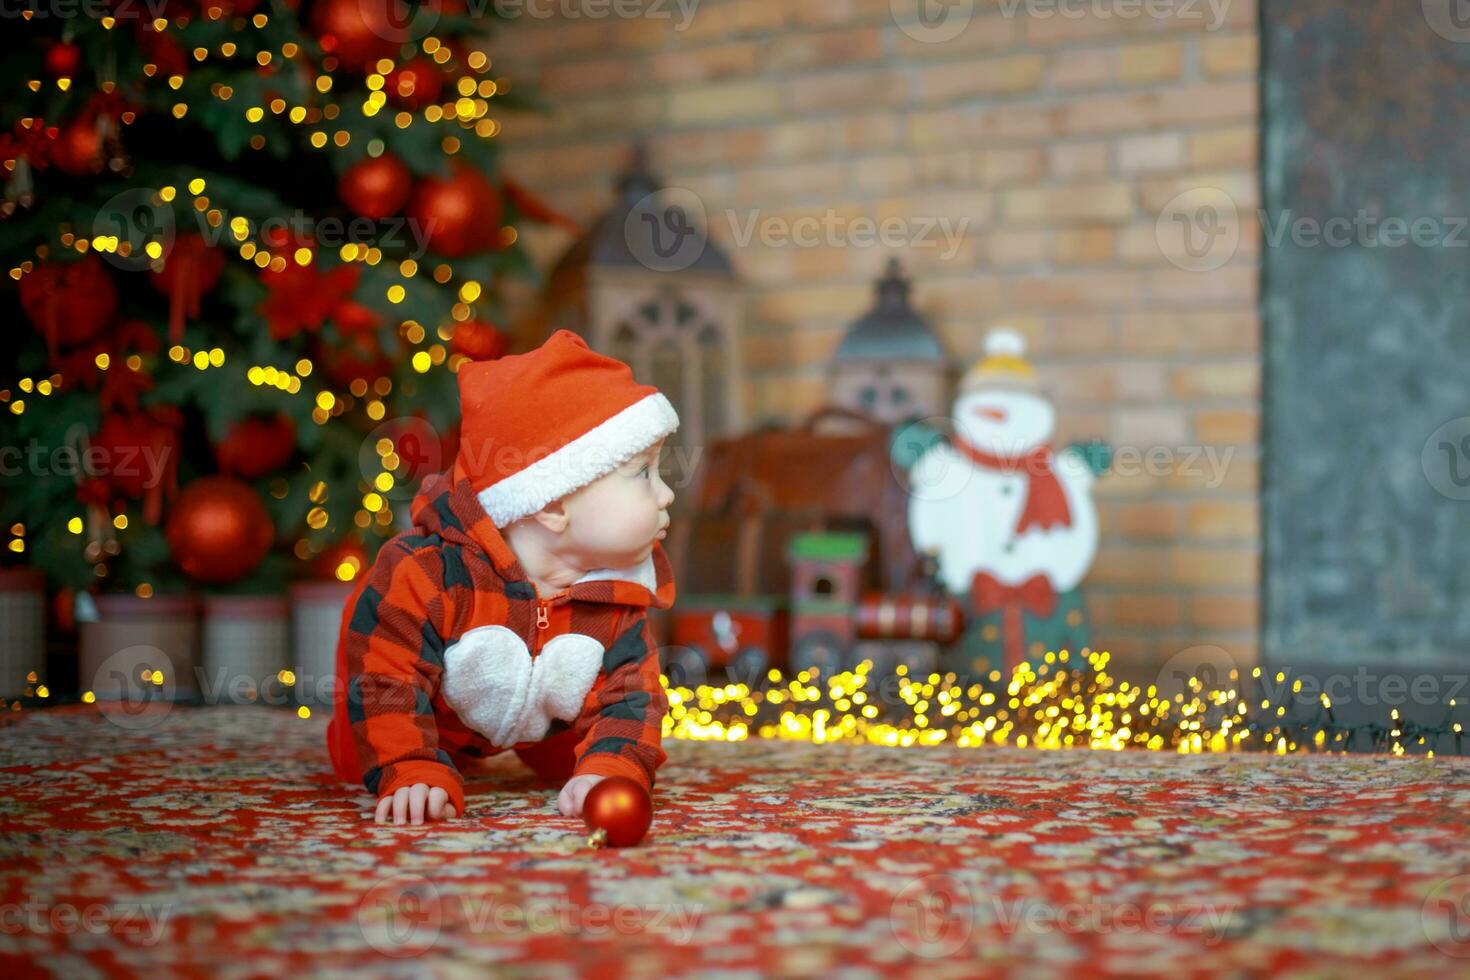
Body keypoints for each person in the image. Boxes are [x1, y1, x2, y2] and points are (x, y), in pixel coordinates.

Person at [326, 329, 678, 825]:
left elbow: (632, 697)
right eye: (644, 474)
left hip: (544, 713)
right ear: (553, 503)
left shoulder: (619, 590)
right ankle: (415, 757)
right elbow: (388, 682)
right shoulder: (427, 574)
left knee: (591, 764)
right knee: (365, 756)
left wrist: (610, 767)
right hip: (424, 702)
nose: (666, 495)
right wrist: (410, 767)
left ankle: (571, 759)